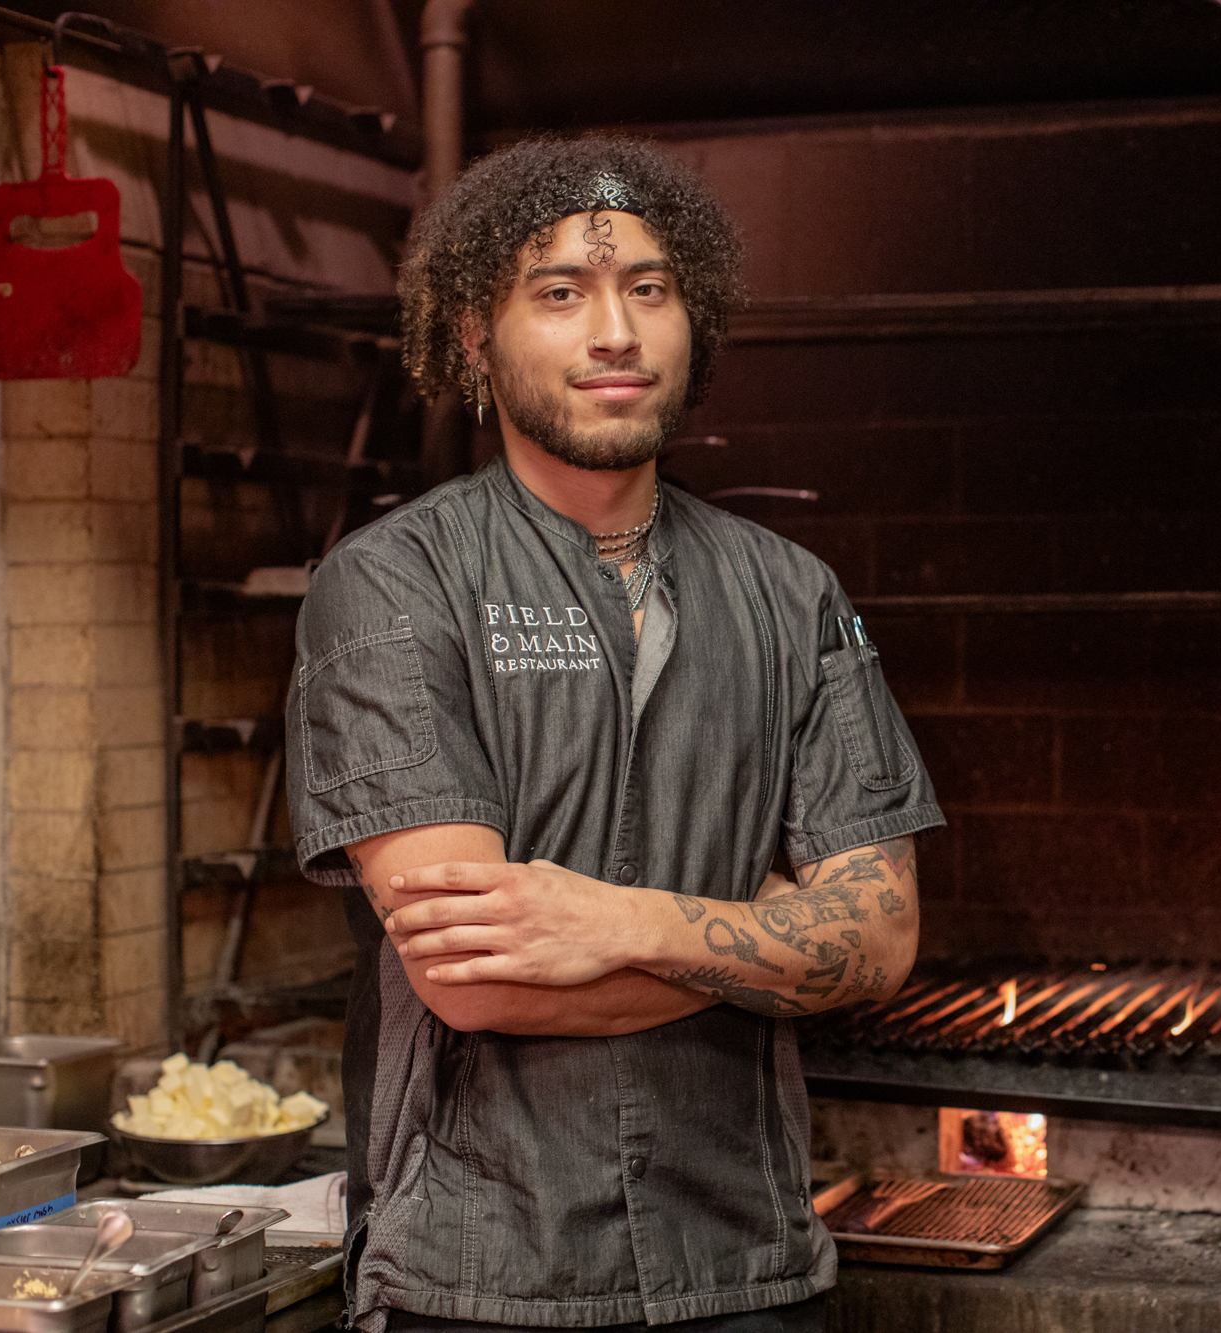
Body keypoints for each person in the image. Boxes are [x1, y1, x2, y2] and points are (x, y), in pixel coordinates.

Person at [285, 135, 943, 1333]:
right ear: (476, 337)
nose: (616, 333)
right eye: (560, 292)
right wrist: (764, 939)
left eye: (648, 287)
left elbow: (883, 938)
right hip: (480, 1275)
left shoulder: (789, 591)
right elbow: (475, 977)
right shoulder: (392, 584)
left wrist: (611, 922)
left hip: (744, 1262)